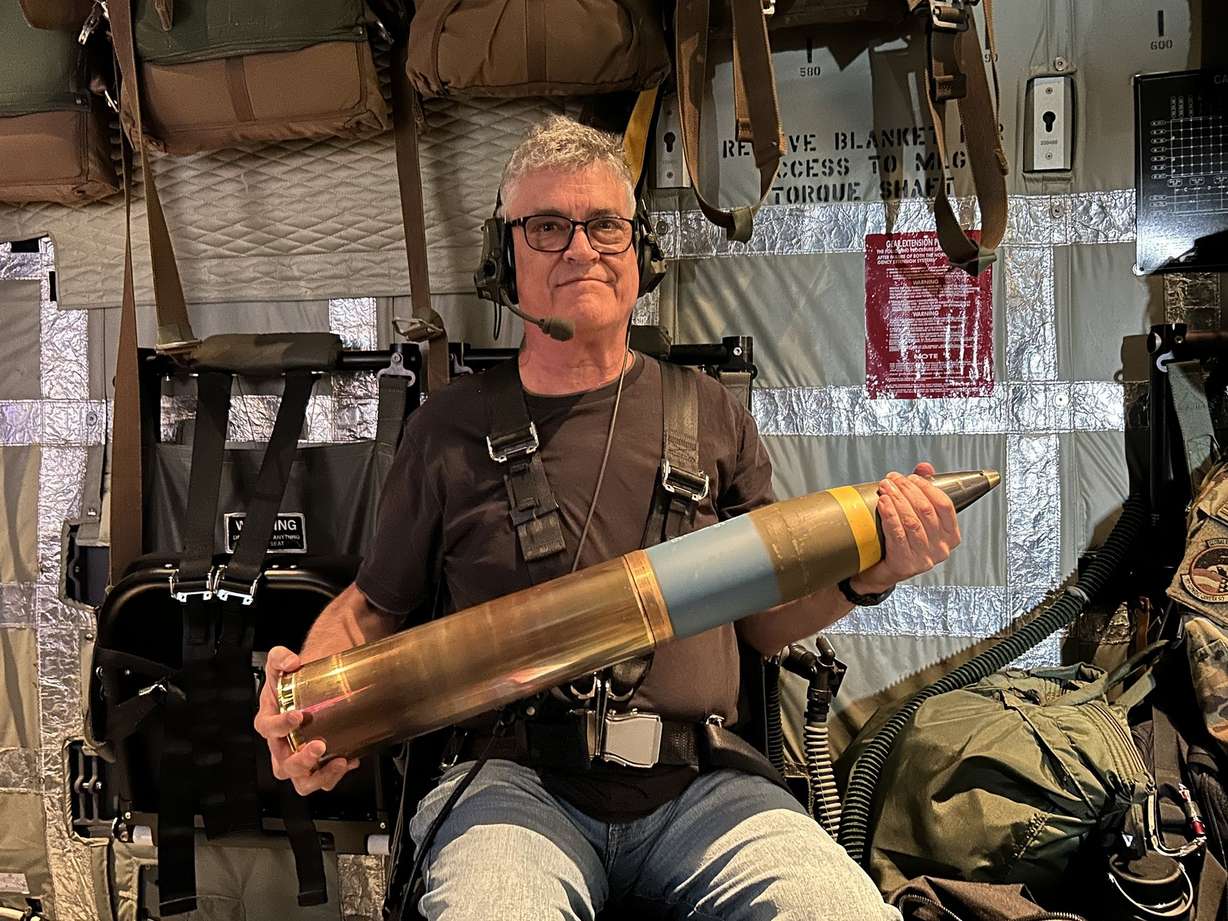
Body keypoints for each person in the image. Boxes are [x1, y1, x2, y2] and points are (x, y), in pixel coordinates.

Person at [254, 116, 962, 920]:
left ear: (639, 252)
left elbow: (764, 621)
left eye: (604, 225)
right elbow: (371, 607)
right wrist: (307, 705)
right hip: (513, 788)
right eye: (547, 227)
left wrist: (871, 575)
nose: (580, 248)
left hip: (702, 787)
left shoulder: (712, 413)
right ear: (504, 258)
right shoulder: (445, 430)